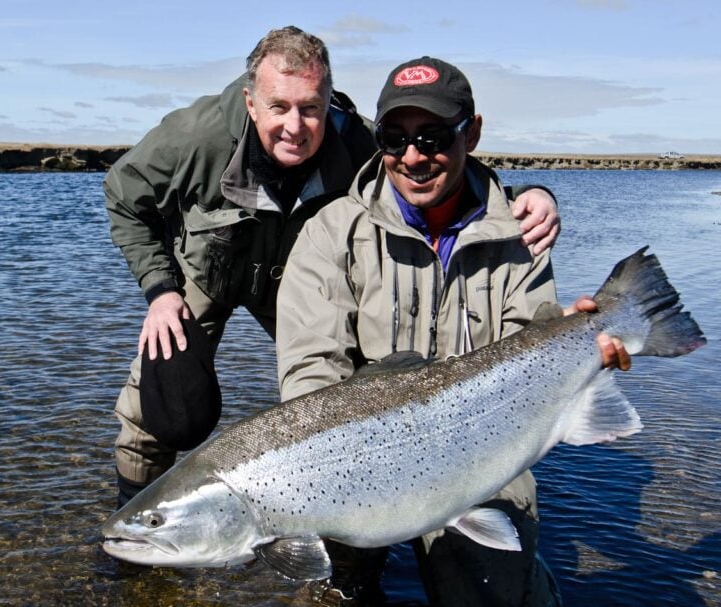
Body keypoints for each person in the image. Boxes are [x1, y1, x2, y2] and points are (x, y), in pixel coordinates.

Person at [103, 27, 562, 510]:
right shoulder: (195, 138)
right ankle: (132, 540)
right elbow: (122, 195)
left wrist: (523, 199)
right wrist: (160, 291)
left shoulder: (362, 140)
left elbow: (432, 170)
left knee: (354, 391)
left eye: (311, 108)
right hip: (205, 273)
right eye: (279, 106)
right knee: (155, 413)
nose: (296, 126)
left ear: (329, 101)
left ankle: (356, 530)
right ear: (251, 101)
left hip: (298, 277)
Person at [276, 57, 629, 605]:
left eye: (433, 137)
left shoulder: (521, 233)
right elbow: (309, 372)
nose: (413, 157)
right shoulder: (330, 234)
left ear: (474, 132)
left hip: (481, 449)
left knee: (493, 590)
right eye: (394, 139)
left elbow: (528, 345)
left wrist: (573, 345)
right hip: (354, 455)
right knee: (324, 593)